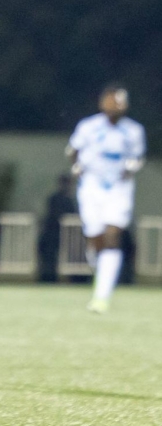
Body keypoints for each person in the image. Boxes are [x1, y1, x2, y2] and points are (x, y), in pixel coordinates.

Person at [67, 84, 146, 313]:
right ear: (103, 103)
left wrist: (131, 168)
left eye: (120, 102)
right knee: (95, 237)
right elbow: (73, 150)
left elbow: (137, 157)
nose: (116, 107)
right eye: (112, 101)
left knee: (113, 236)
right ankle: (100, 269)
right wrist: (76, 167)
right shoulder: (89, 127)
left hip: (118, 189)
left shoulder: (133, 131)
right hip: (91, 186)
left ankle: (102, 296)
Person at [37, 174, 75, 283]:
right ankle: (48, 277)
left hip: (58, 234)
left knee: (50, 258)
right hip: (52, 234)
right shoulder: (58, 199)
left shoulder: (64, 200)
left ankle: (49, 277)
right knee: (48, 258)